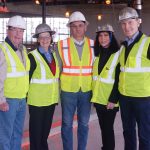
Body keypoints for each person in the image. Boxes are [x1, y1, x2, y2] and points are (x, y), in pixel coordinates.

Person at [57, 11, 95, 150]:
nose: (77, 29)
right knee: (67, 124)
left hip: (86, 90)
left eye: (80, 25)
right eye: (74, 26)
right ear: (70, 28)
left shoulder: (93, 45)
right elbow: (57, 71)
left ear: (85, 27)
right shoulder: (61, 45)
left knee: (84, 124)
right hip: (68, 91)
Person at [118, 7, 150, 150]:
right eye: (123, 24)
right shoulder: (123, 47)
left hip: (143, 98)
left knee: (145, 134)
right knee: (128, 132)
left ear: (138, 22)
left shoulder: (148, 43)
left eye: (130, 22)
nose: (127, 27)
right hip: (125, 97)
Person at [27, 23, 60, 150]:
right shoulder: (32, 57)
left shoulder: (53, 55)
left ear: (51, 38)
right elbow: (27, 80)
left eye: (47, 37)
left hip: (50, 101)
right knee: (36, 135)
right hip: (37, 103)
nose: (45, 40)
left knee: (44, 134)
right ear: (38, 39)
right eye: (42, 37)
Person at [0, 16, 30, 150]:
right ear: (8, 31)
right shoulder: (2, 50)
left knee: (17, 134)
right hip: (8, 101)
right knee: (5, 135)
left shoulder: (23, 50)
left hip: (21, 99)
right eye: (15, 30)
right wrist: (1, 100)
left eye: (21, 31)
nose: (18, 34)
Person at [91, 24, 120, 150]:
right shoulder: (97, 54)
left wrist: (113, 99)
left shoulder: (118, 55)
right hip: (98, 99)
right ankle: (105, 147)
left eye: (106, 35)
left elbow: (119, 79)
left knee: (108, 129)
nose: (103, 39)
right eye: (100, 36)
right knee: (103, 128)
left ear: (111, 36)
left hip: (110, 101)